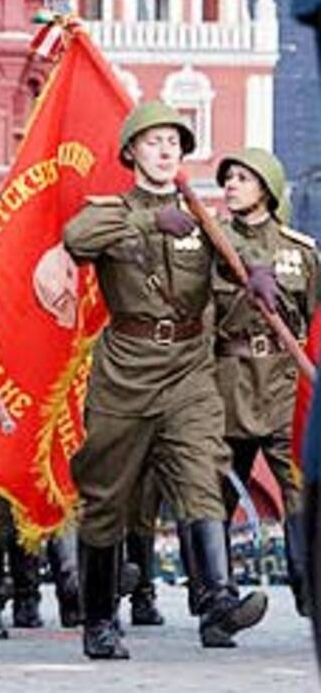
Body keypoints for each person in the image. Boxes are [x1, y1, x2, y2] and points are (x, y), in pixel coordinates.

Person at [63, 101, 273, 659]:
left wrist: (258, 270)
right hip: (126, 369)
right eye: (153, 142)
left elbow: (241, 249)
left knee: (203, 471)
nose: (165, 152)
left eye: (174, 145)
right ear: (131, 151)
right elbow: (77, 237)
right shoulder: (110, 210)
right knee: (106, 498)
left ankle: (217, 599)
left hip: (188, 369)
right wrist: (150, 219)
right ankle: (100, 620)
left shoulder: (202, 218)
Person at [213, 148, 318, 616]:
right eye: (228, 178)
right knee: (215, 491)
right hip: (229, 382)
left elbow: (315, 324)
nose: (231, 185)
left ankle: (306, 585)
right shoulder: (213, 245)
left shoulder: (302, 252)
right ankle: (219, 605)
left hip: (285, 382)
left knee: (298, 488)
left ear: (268, 190)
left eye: (242, 178)